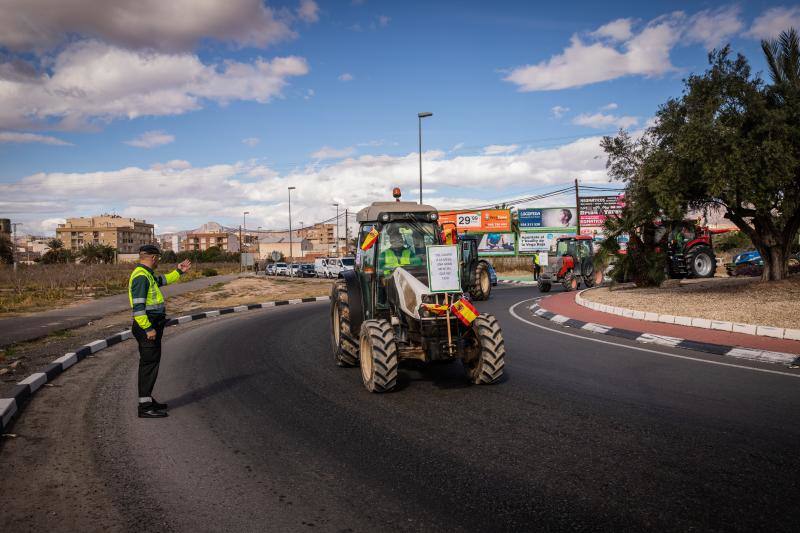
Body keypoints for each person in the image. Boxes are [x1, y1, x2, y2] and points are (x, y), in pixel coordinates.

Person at [129, 245, 192, 418]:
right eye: (159, 258)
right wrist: (148, 328)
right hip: (147, 325)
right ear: (153, 258)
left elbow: (162, 281)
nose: (159, 262)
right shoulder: (141, 277)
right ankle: (144, 406)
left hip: (152, 323)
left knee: (151, 363)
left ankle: (147, 400)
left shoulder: (146, 274)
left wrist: (178, 271)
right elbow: (138, 307)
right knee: (149, 365)